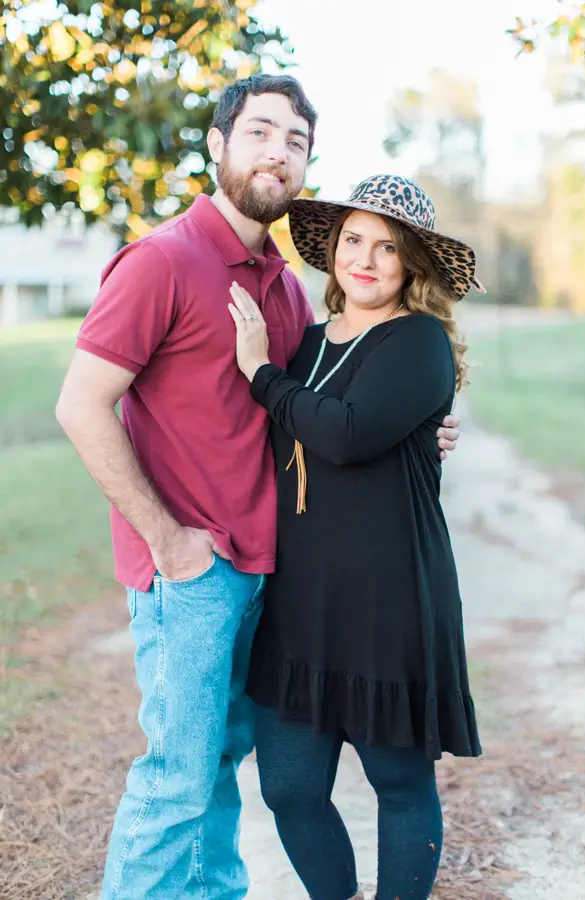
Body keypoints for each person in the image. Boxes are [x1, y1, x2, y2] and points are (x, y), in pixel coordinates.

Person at [56, 72, 460, 900]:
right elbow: (79, 405)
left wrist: (427, 429)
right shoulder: (162, 260)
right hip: (195, 574)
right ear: (218, 144)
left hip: (270, 576)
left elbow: (330, 412)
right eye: (260, 132)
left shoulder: (277, 285)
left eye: (296, 141)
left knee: (219, 772)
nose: (278, 152)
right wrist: (169, 542)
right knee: (180, 778)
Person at [228, 173, 483, 900]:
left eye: (387, 247)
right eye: (353, 240)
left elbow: (344, 434)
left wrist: (259, 374)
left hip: (389, 600)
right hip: (302, 603)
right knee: (288, 786)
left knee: (398, 784)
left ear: (413, 265)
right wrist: (275, 374)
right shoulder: (307, 346)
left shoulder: (419, 342)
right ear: (333, 250)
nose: (365, 259)